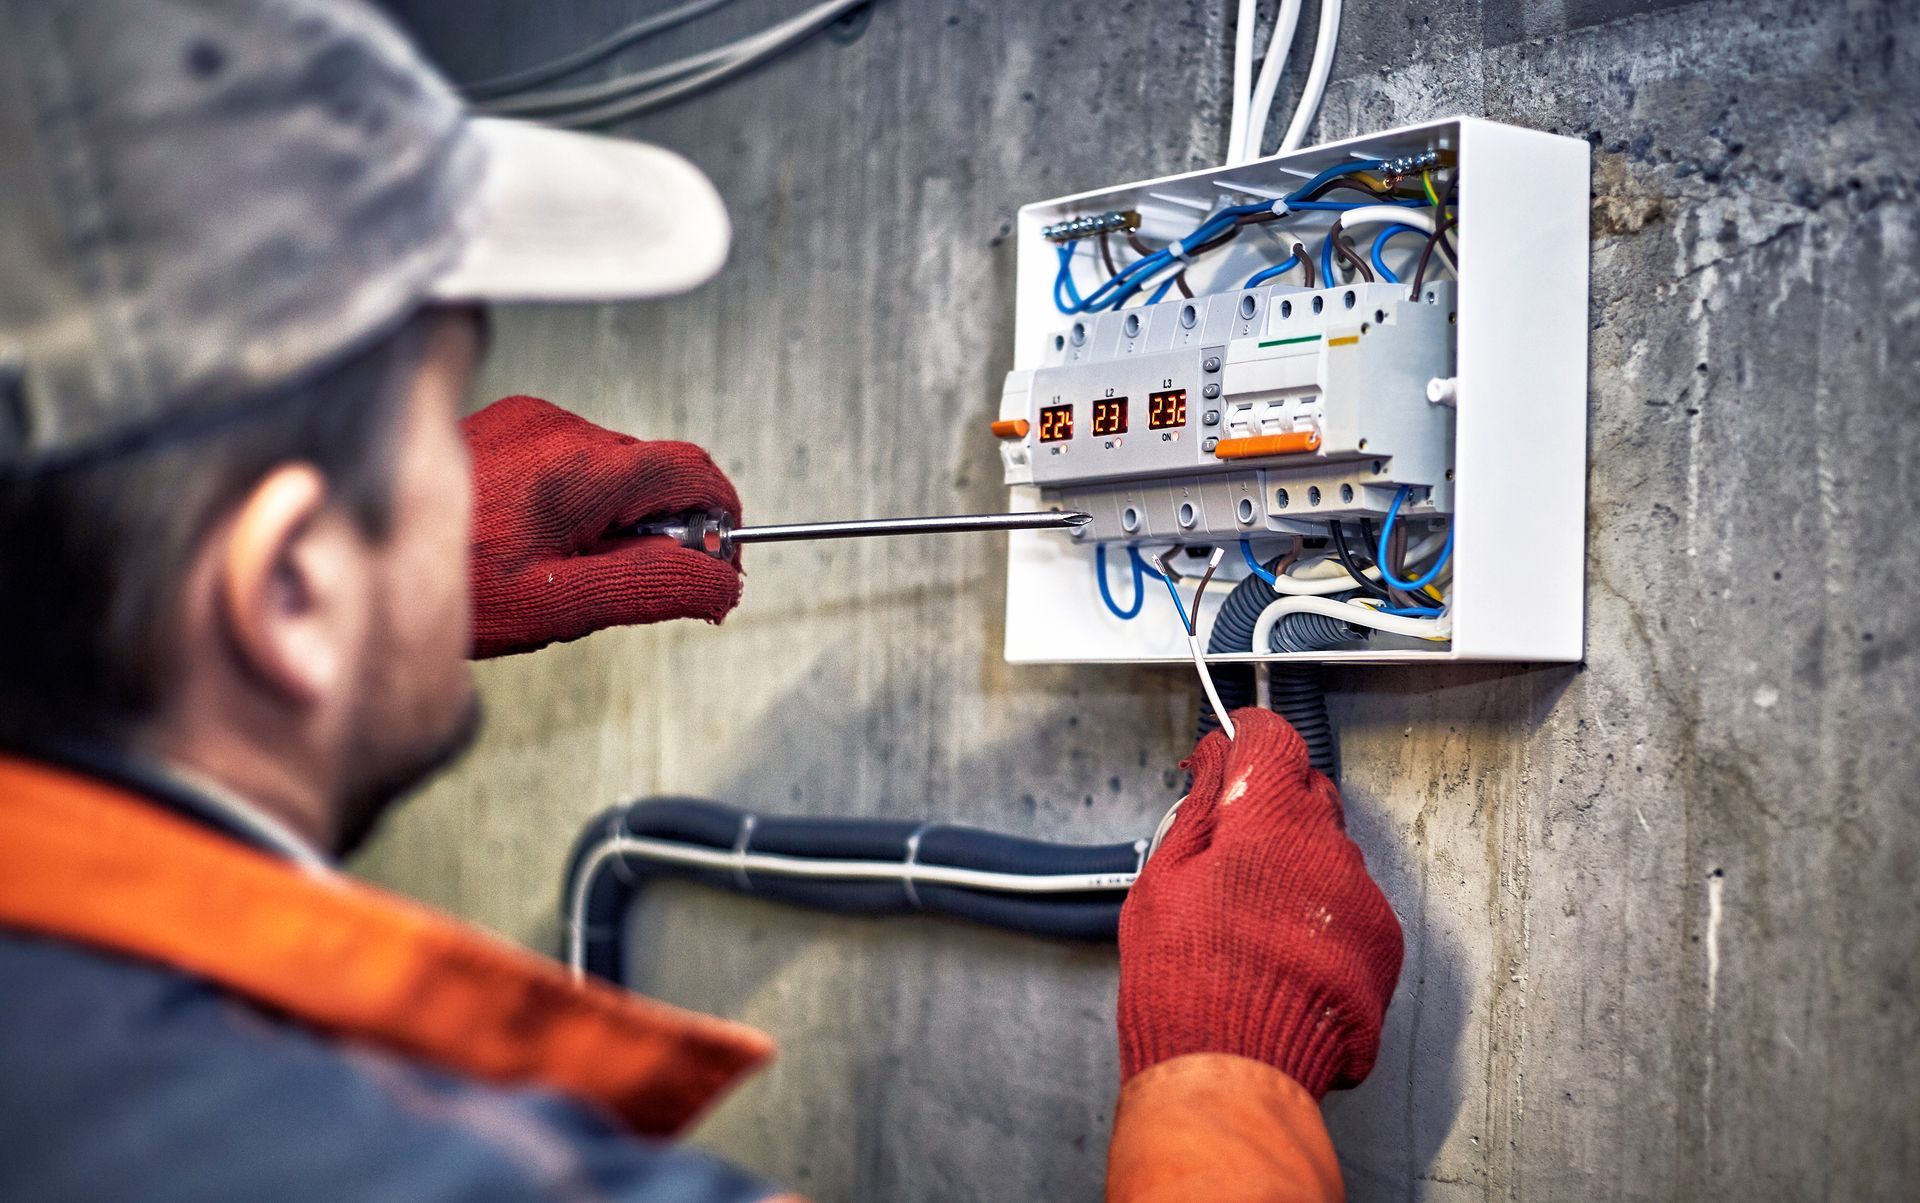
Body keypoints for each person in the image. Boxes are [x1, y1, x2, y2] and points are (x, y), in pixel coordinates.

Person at [0, 1, 1405, 1200]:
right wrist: (1231, 1077)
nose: (467, 470)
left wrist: (388, 584)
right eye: (436, 431)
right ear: (285, 583)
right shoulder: (350, 1159)